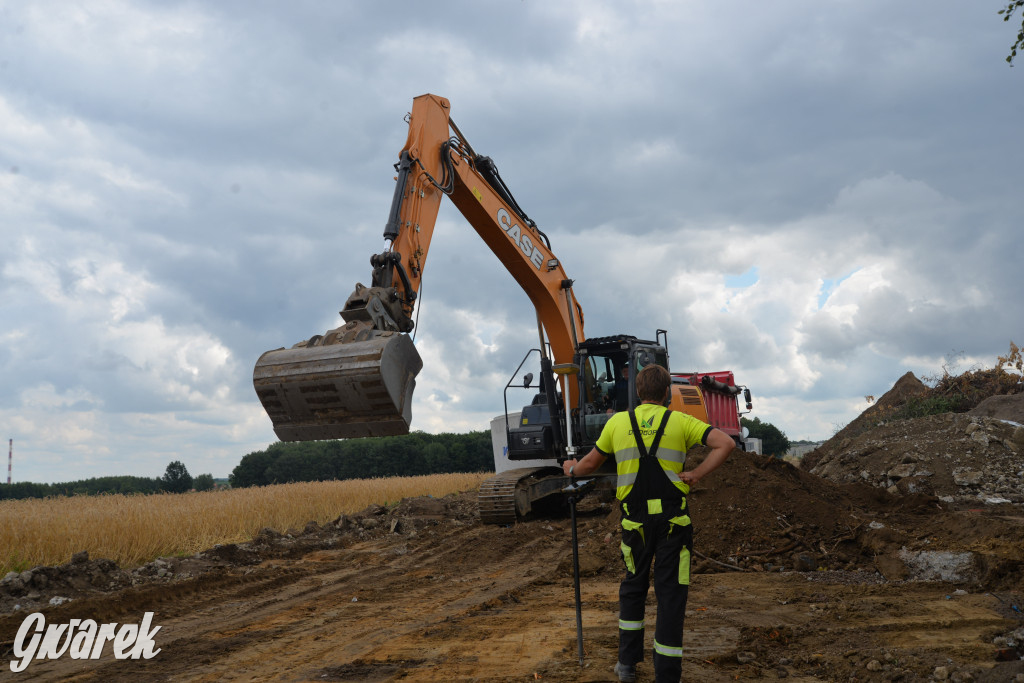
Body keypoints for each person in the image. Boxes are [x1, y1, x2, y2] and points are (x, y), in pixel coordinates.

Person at [562, 364, 734, 683]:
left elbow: (589, 464)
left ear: (638, 393)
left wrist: (570, 470)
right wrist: (696, 474)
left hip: (634, 523)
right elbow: (726, 444)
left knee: (633, 588)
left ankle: (627, 665)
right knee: (670, 595)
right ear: (667, 393)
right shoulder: (680, 420)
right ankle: (666, 675)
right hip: (674, 523)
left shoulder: (617, 423)